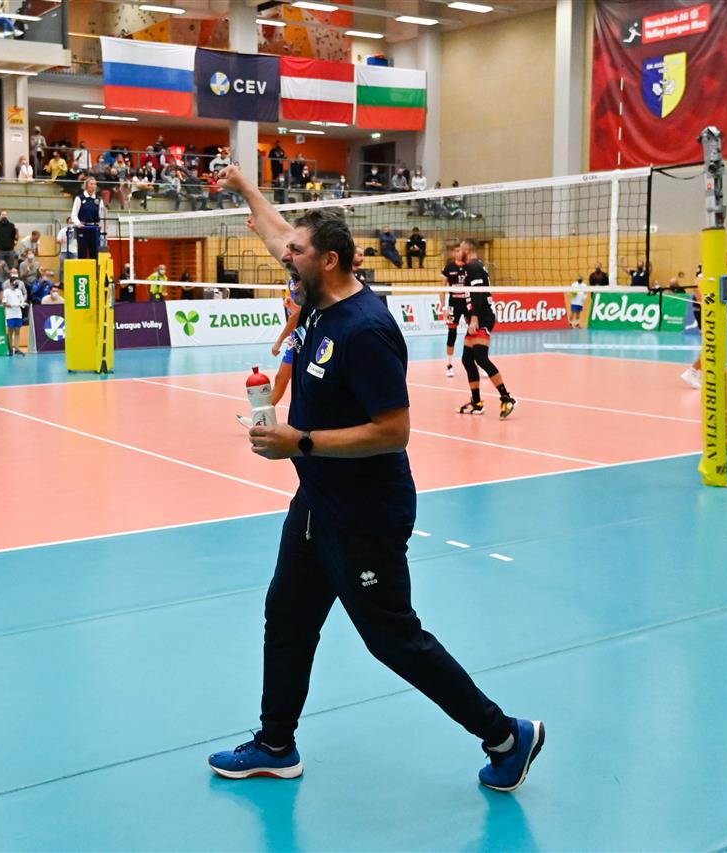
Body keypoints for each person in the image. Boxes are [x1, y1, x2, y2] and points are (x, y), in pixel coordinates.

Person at [205, 165, 543, 792]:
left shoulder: (365, 330)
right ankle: (276, 744)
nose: (285, 257)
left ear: (328, 260)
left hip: (364, 514)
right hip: (317, 502)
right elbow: (278, 232)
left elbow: (394, 431)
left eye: (297, 252)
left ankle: (505, 736)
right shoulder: (314, 297)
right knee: (286, 619)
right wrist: (247, 188)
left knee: (392, 639)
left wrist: (301, 441)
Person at [457, 238, 516, 418]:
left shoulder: (474, 267)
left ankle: (507, 398)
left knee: (481, 358)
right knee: (467, 359)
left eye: (460, 248)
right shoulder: (473, 267)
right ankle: (477, 402)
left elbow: (478, 293)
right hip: (476, 317)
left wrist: (474, 318)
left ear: (468, 249)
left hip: (482, 318)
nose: (458, 252)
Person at [269, 274, 301, 406]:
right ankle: (262, 416)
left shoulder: (306, 279)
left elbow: (297, 314)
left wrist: (279, 341)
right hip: (296, 336)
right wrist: (288, 301)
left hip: (309, 336)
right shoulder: (291, 281)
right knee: (281, 378)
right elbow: (292, 311)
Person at [441, 243, 470, 378]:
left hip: (468, 303)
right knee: (452, 333)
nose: (458, 253)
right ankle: (449, 365)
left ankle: (477, 362)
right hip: (454, 304)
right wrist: (443, 307)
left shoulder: (469, 266)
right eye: (456, 251)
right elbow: (442, 289)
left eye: (460, 250)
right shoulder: (449, 267)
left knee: (474, 332)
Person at [71, 176, 105, 260]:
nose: (93, 186)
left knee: (95, 252)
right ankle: (82, 268)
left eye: (95, 184)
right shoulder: (79, 198)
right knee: (82, 252)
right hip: (83, 228)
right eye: (91, 184)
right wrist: (78, 224)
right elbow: (74, 215)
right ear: (86, 185)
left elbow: (101, 215)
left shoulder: (99, 200)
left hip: (95, 229)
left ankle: (95, 268)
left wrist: (101, 225)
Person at [2, 275, 28, 356]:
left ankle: (17, 349)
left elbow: (21, 301)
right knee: (10, 331)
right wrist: (12, 305)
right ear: (11, 283)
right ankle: (10, 349)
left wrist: (22, 304)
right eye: (15, 282)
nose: (16, 284)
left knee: (17, 331)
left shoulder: (19, 292)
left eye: (17, 282)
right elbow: (4, 303)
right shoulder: (6, 292)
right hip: (10, 315)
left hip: (18, 314)